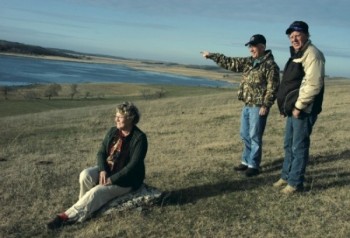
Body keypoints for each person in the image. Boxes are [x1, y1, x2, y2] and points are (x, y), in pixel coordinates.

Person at [47, 102, 148, 229]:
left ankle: (66, 218)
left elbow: (133, 166)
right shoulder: (113, 131)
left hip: (127, 180)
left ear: (131, 118)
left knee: (97, 192)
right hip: (109, 170)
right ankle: (84, 208)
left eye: (120, 117)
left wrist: (112, 179)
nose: (115, 119)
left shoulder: (139, 138)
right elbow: (101, 153)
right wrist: (102, 171)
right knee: (85, 175)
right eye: (115, 116)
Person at [201, 34, 280, 177]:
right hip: (247, 104)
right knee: (245, 134)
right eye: (250, 46)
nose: (251, 49)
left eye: (254, 46)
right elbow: (230, 62)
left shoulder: (270, 65)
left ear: (263, 47)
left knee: (255, 136)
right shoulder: (249, 62)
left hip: (258, 106)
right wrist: (212, 56)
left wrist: (266, 105)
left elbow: (272, 87)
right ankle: (246, 161)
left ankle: (254, 165)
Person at [274, 21, 325, 194]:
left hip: (304, 110)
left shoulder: (312, 54)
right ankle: (286, 176)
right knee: (288, 144)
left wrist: (299, 107)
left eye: (298, 35)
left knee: (299, 146)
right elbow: (290, 84)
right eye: (291, 36)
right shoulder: (297, 53)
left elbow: (313, 84)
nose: (294, 39)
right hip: (293, 109)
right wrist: (285, 107)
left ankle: (295, 183)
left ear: (306, 35)